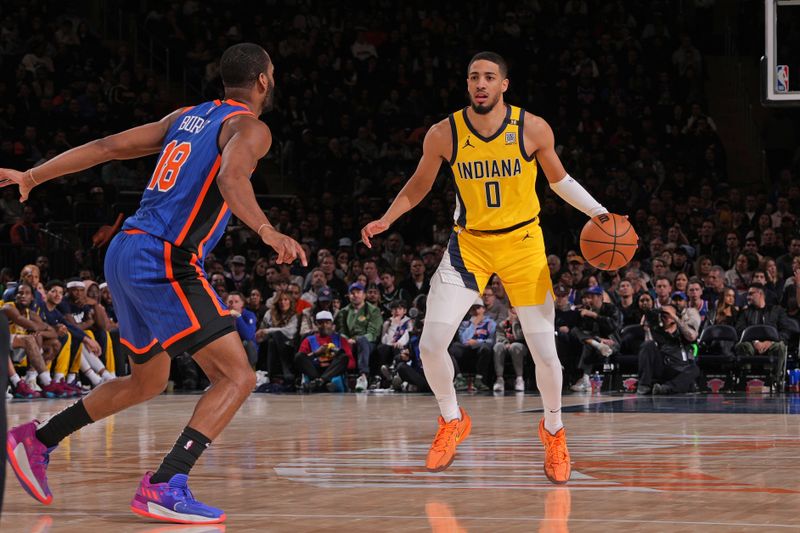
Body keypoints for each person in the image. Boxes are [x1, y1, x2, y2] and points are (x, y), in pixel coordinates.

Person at [2, 43, 306, 524]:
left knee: (147, 379)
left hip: (124, 250)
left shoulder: (186, 116)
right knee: (237, 376)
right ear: (264, 81)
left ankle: (36, 441)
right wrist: (268, 231)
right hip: (164, 257)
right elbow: (231, 180)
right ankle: (166, 482)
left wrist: (33, 176)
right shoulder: (250, 127)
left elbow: (107, 147)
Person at [361, 51, 615, 483]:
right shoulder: (445, 133)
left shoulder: (531, 127)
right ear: (467, 84)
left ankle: (553, 431)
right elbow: (419, 184)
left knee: (545, 353)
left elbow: (560, 180)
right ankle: (452, 419)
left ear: (504, 85)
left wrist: (600, 213)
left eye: (489, 77)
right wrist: (388, 217)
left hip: (523, 244)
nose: (481, 83)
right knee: (429, 345)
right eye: (474, 77)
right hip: (469, 246)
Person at [636, 304, 700, 395]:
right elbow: (647, 346)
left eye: (667, 314)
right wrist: (647, 328)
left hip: (678, 369)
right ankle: (644, 385)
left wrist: (675, 318)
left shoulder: (682, 330)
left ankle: (667, 388)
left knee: (694, 369)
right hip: (661, 367)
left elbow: (692, 336)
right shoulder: (656, 330)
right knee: (647, 344)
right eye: (662, 314)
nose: (664, 316)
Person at [294, 310, 354, 392]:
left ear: (332, 325)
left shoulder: (341, 340)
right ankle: (322, 382)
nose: (324, 325)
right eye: (321, 323)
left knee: (343, 357)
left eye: (327, 323)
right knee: (299, 356)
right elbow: (300, 360)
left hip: (332, 371)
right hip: (314, 371)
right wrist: (316, 353)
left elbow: (351, 363)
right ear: (316, 325)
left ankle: (321, 381)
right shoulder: (308, 340)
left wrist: (336, 356)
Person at [493, 306, 527, 392]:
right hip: (507, 346)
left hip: (522, 347)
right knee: (498, 346)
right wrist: (506, 343)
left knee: (515, 346)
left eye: (515, 310)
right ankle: (499, 379)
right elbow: (499, 337)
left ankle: (519, 379)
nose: (513, 312)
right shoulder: (503, 324)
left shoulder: (524, 323)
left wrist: (515, 323)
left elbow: (520, 337)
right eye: (511, 310)